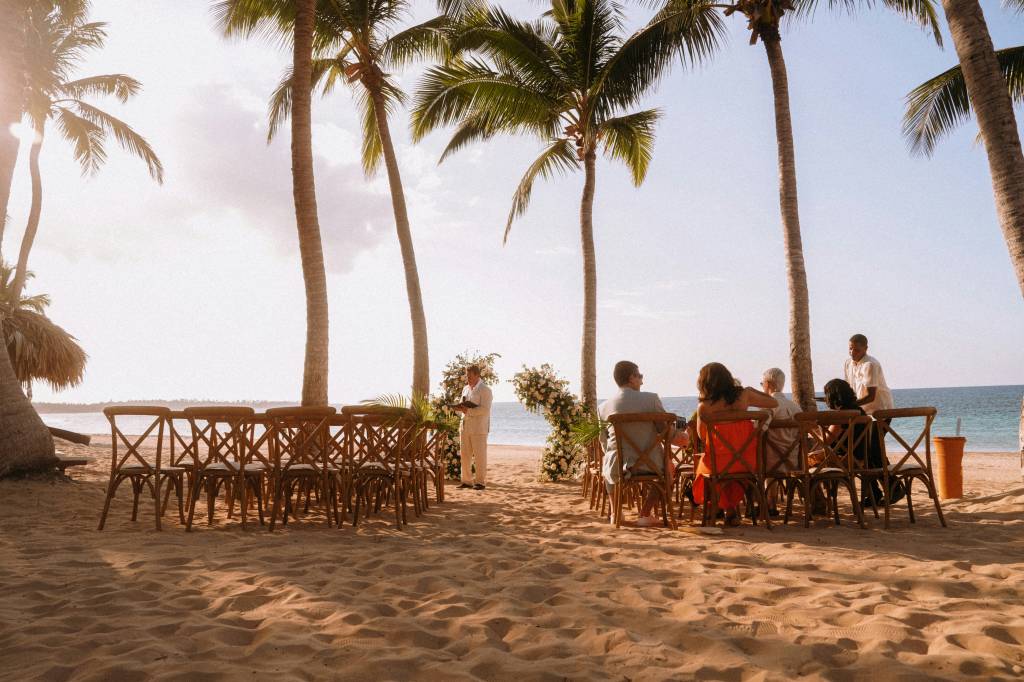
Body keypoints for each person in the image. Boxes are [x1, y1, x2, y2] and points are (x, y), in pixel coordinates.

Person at [694, 363, 777, 526]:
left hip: (720, 463)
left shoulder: (704, 407)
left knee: (708, 469)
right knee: (730, 469)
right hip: (748, 462)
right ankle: (730, 511)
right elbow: (774, 403)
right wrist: (752, 390)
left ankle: (720, 509)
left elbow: (702, 436)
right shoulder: (744, 396)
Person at [599, 360, 673, 527]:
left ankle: (615, 512)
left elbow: (604, 442)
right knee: (669, 468)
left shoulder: (603, 407)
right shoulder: (651, 399)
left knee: (608, 460)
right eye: (639, 376)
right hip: (651, 465)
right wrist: (682, 437)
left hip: (617, 466)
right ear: (631, 378)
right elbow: (665, 431)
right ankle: (645, 513)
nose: (642, 380)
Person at [822, 378, 903, 508]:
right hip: (862, 457)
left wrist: (810, 431)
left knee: (810, 462)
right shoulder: (860, 412)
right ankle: (874, 494)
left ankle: (821, 504)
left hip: (844, 460)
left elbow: (826, 440)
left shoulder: (841, 415)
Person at [760, 367, 801, 515]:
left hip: (770, 462)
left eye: (762, 383)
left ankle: (768, 503)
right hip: (793, 462)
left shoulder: (769, 404)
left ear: (769, 383)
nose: (762, 386)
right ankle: (771, 503)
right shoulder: (796, 407)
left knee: (757, 458)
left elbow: (759, 429)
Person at [455, 365, 493, 490]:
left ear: (477, 375)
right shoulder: (465, 389)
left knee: (479, 456)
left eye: (470, 376)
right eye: (467, 376)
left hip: (479, 429)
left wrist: (469, 411)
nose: (468, 379)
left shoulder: (485, 390)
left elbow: (485, 410)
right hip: (465, 427)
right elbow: (462, 405)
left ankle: (480, 482)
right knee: (465, 455)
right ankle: (466, 481)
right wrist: (458, 408)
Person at [843, 334, 894, 415]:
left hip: (879, 412)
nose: (852, 353)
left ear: (865, 349)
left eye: (856, 350)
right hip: (861, 412)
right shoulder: (848, 364)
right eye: (850, 349)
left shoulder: (870, 364)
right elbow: (849, 388)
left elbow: (871, 396)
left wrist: (849, 406)